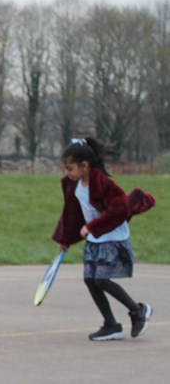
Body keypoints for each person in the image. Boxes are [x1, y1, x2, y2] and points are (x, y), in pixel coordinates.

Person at [52, 137, 154, 341]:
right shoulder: (74, 185)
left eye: (70, 168)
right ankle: (111, 325)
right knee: (90, 280)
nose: (67, 173)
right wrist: (66, 239)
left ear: (84, 166)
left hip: (113, 238)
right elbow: (71, 214)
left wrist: (92, 226)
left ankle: (138, 311)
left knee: (101, 279)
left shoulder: (104, 184)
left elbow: (121, 209)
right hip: (95, 239)